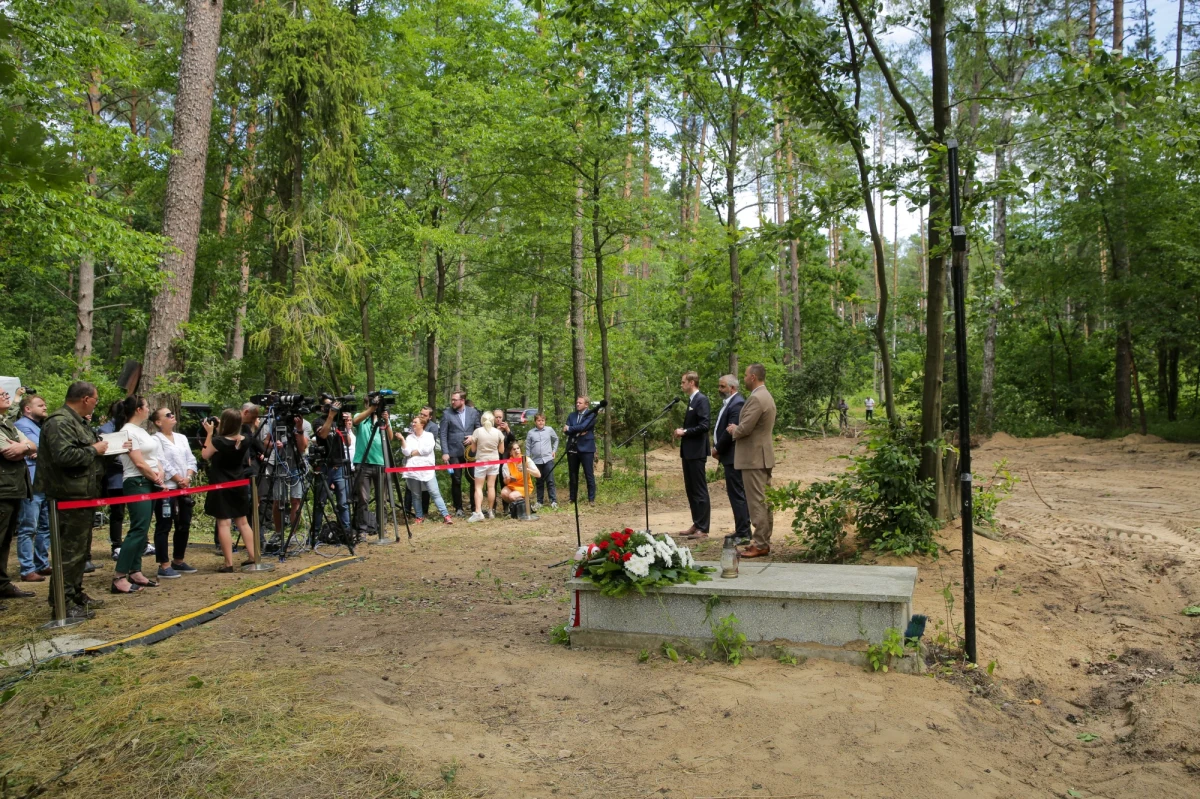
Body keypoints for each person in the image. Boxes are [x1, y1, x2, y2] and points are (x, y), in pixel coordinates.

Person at [36, 381, 121, 619]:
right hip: (67, 495)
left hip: (83, 494)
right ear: (85, 399)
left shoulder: (78, 423)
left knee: (81, 550)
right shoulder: (59, 422)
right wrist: (95, 449)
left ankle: (74, 593)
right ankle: (62, 603)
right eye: (95, 399)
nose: (95, 403)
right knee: (69, 552)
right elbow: (64, 456)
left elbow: (90, 456)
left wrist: (111, 450)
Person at [113, 395, 166, 593]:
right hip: (138, 481)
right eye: (146, 406)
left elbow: (152, 457)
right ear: (138, 409)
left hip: (150, 480)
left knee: (143, 529)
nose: (148, 409)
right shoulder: (127, 431)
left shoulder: (141, 430)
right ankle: (119, 576)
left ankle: (135, 570)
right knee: (137, 529)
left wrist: (159, 472)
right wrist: (156, 478)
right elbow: (139, 462)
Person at [726, 364, 777, 559]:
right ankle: (763, 540)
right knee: (764, 501)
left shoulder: (756, 398)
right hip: (761, 456)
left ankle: (761, 543)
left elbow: (745, 428)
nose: (744, 378)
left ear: (753, 377)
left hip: (754, 458)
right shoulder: (766, 396)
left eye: (746, 375)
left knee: (756, 502)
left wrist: (734, 429)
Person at [201, 410, 259, 571]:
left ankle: (229, 563)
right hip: (239, 482)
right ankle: (253, 556)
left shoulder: (218, 442)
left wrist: (210, 433)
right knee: (243, 521)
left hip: (221, 484)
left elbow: (205, 454)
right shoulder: (245, 440)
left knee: (224, 523)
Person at [0, 386, 36, 609]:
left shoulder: (7, 425)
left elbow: (33, 446)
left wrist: (23, 445)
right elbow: (9, 452)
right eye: (1, 394)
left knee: (5, 542)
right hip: (2, 490)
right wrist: (24, 447)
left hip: (14, 489)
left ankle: (2, 584)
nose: (6, 395)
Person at [152, 408, 198, 579]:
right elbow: (162, 462)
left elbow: (191, 458)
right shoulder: (155, 439)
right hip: (167, 488)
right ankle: (163, 564)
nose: (172, 416)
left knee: (184, 523)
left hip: (184, 487)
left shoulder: (182, 438)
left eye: (173, 414)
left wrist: (188, 476)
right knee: (164, 524)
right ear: (158, 422)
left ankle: (178, 560)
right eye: (168, 415)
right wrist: (178, 478)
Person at [259, 407, 311, 540]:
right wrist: (274, 444)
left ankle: (293, 535)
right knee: (278, 500)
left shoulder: (305, 424)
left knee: (296, 501)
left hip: (296, 465)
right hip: (280, 463)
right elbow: (266, 441)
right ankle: (278, 533)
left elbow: (302, 447)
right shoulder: (277, 422)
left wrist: (298, 429)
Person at [14, 393, 51, 582]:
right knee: (29, 526)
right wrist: (37, 449)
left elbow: (41, 447)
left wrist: (40, 451)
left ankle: (42, 563)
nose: (45, 407)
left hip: (45, 482)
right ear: (28, 409)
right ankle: (27, 568)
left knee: (46, 525)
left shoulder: (40, 426)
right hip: (31, 482)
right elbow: (38, 446)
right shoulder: (22, 425)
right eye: (40, 405)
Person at [711, 374, 751, 545]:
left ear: (732, 388)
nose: (719, 390)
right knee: (734, 493)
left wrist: (717, 448)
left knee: (737, 494)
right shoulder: (730, 403)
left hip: (733, 455)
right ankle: (742, 529)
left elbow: (730, 432)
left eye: (722, 387)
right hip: (728, 455)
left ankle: (743, 532)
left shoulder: (737, 404)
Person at [673, 371, 711, 538]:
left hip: (697, 452)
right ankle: (696, 522)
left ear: (691, 382)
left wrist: (685, 431)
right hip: (688, 452)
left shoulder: (701, 400)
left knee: (699, 489)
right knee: (691, 489)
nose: (681, 385)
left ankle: (703, 527)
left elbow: (704, 425)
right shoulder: (691, 400)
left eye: (683, 382)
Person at [400, 417, 452, 524]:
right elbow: (406, 452)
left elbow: (427, 450)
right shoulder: (409, 438)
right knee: (416, 495)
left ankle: (446, 515)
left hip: (427, 470)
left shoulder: (429, 436)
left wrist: (412, 453)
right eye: (412, 422)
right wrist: (402, 440)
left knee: (434, 492)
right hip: (412, 470)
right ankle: (419, 516)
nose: (413, 424)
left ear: (422, 424)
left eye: (415, 422)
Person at [351, 400, 392, 536]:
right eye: (371, 403)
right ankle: (362, 530)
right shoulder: (361, 416)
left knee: (382, 499)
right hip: (363, 463)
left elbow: (390, 438)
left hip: (381, 463)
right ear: (366, 404)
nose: (375, 407)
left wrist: (386, 421)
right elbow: (355, 421)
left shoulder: (382, 418)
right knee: (363, 499)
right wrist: (371, 409)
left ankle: (381, 528)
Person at [439, 389, 481, 516]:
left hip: (470, 452)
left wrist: (473, 437)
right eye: (451, 400)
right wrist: (445, 452)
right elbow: (443, 434)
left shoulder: (473, 412)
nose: (452, 402)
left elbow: (479, 429)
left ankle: (475, 507)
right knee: (456, 480)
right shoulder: (447, 414)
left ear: (462, 400)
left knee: (474, 479)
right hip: (453, 452)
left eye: (454, 400)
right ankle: (459, 508)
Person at [314, 396, 353, 535]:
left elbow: (348, 443)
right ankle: (316, 533)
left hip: (340, 465)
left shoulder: (339, 422)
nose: (332, 407)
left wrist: (347, 427)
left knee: (343, 503)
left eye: (333, 405)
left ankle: (346, 532)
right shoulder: (318, 421)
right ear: (323, 408)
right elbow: (323, 435)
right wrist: (331, 416)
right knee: (320, 503)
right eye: (329, 405)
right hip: (324, 466)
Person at [97, 401, 127, 559]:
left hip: (133, 475)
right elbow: (109, 455)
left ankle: (143, 543)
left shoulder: (130, 428)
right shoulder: (106, 429)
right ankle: (116, 545)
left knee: (138, 511)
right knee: (117, 512)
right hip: (116, 478)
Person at [465, 412, 505, 522]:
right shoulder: (498, 433)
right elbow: (501, 450)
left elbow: (473, 450)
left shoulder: (477, 432)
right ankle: (491, 511)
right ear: (492, 420)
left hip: (481, 461)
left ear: (482, 420)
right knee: (491, 486)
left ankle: (478, 512)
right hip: (494, 460)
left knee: (478, 487)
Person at [563, 396, 597, 505]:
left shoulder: (591, 415)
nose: (577, 404)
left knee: (589, 474)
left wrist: (572, 429)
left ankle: (591, 499)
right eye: (577, 402)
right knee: (573, 474)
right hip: (572, 447)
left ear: (586, 404)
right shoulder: (572, 415)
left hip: (586, 449)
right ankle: (572, 498)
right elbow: (566, 430)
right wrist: (576, 430)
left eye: (580, 403)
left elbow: (583, 426)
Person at [524, 413, 558, 509]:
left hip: (548, 459)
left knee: (550, 480)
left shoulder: (549, 430)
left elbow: (556, 439)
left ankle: (553, 501)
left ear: (545, 421)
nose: (541, 422)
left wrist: (554, 450)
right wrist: (527, 459)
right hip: (536, 460)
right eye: (539, 420)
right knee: (539, 481)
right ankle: (539, 501)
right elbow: (528, 447)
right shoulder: (531, 433)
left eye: (542, 420)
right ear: (535, 422)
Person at [499, 442, 540, 512]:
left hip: (525, 486)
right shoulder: (507, 463)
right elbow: (505, 482)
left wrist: (526, 469)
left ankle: (529, 506)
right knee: (504, 493)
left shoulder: (526, 459)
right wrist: (508, 478)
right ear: (510, 452)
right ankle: (517, 508)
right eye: (514, 449)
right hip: (512, 486)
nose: (516, 450)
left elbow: (538, 474)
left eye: (518, 448)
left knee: (512, 496)